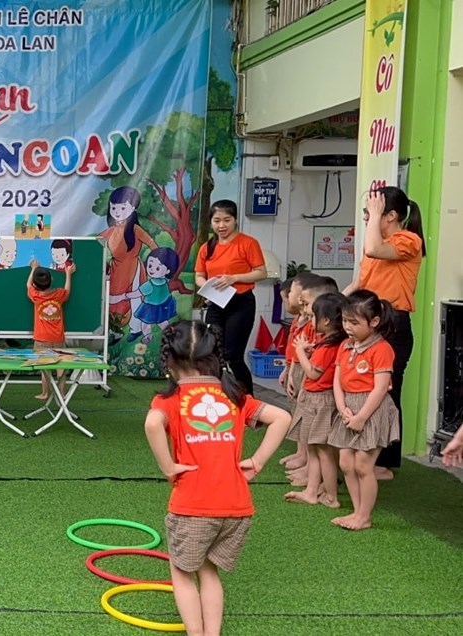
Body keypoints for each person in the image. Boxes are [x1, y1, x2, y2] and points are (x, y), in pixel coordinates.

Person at [143, 321, 290, 636]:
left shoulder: (170, 401)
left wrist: (168, 467)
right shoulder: (234, 396)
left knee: (182, 573)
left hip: (193, 505)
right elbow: (282, 417)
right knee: (209, 572)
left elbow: (153, 424)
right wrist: (258, 461)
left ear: (169, 361)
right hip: (236, 507)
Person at [343, 187, 425, 480]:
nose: (367, 217)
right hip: (368, 321)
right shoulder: (375, 242)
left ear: (391, 215)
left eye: (371, 211)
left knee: (386, 392)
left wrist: (375, 216)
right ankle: (360, 455)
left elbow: (374, 249)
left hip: (393, 324)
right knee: (360, 389)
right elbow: (359, 284)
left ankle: (384, 462)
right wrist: (334, 306)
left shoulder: (409, 240)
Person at [329, 290, 400, 531]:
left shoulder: (382, 349)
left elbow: (380, 389)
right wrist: (342, 408)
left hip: (371, 410)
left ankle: (364, 516)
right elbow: (337, 380)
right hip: (348, 408)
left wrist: (361, 417)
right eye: (344, 321)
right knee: (346, 463)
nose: (347, 327)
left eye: (354, 322)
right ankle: (357, 512)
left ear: (374, 322)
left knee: (362, 465)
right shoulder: (345, 345)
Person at [194, 200, 266, 395]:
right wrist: (208, 286)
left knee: (233, 356)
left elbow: (261, 272)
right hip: (216, 303)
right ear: (211, 222)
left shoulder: (248, 243)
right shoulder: (206, 247)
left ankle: (248, 400)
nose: (221, 225)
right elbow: (199, 276)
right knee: (212, 352)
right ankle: (218, 396)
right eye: (217, 220)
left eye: (227, 220)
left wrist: (234, 278)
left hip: (241, 303)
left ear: (235, 220)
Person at [284, 292, 345, 509]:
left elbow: (312, 373)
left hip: (320, 401)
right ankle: (312, 490)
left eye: (313, 317)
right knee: (314, 448)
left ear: (326, 320)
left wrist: (300, 351)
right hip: (315, 399)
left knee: (323, 451)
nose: (310, 321)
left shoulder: (328, 347)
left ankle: (331, 495)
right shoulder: (327, 343)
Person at [276, 272, 319, 472]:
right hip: (294, 368)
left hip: (305, 371)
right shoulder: (297, 320)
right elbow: (292, 350)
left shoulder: (311, 323)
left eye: (291, 293)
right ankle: (301, 453)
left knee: (305, 416)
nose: (289, 299)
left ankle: (307, 459)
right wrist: (288, 369)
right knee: (296, 412)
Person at [101, 186, 157, 332]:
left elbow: (153, 245)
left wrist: (155, 265)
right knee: (113, 297)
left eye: (122, 208)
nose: (117, 212)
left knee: (131, 298)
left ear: (132, 208)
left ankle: (135, 328)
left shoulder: (135, 229)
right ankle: (114, 329)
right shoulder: (111, 231)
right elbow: (94, 243)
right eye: (114, 208)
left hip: (132, 269)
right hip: (115, 269)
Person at [27, 258, 75, 401]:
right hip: (58, 337)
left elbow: (28, 284)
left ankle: (45, 393)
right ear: (52, 279)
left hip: (42, 338)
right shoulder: (59, 294)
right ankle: (61, 394)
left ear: (35, 285)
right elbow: (67, 290)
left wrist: (33, 269)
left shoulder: (35, 295)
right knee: (61, 367)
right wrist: (68, 274)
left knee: (45, 368)